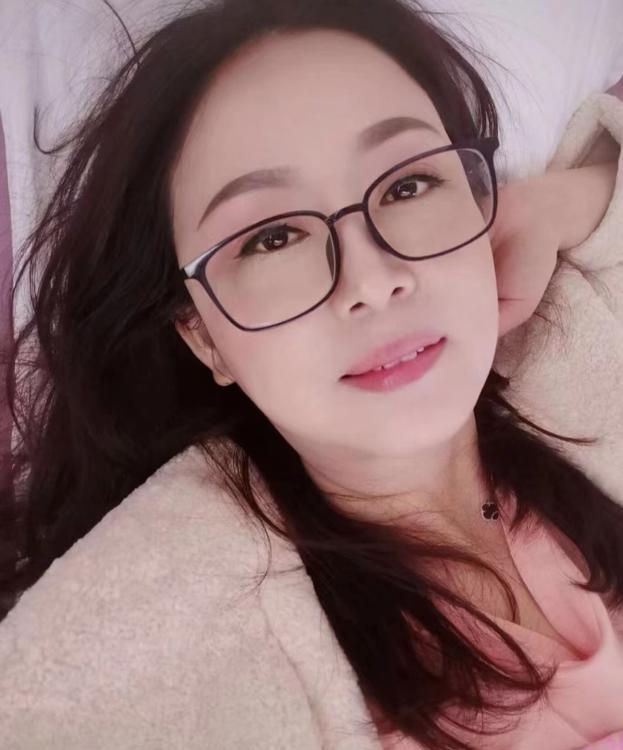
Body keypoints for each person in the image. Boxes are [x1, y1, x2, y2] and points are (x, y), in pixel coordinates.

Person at [0, 1, 621, 748]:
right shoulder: (159, 641)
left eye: (407, 185)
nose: (373, 281)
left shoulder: (580, 325)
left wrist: (560, 201)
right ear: (202, 336)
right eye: (272, 237)